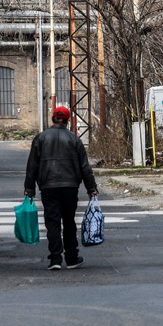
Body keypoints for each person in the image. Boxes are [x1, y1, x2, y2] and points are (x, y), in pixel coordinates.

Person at [24, 106, 98, 270]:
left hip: (48, 186)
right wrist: (91, 187)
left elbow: (32, 166)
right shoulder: (74, 139)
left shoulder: (41, 138)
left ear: (52, 119)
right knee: (69, 221)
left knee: (53, 222)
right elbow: (85, 166)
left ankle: (55, 259)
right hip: (70, 186)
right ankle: (71, 258)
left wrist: (29, 188)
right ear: (68, 120)